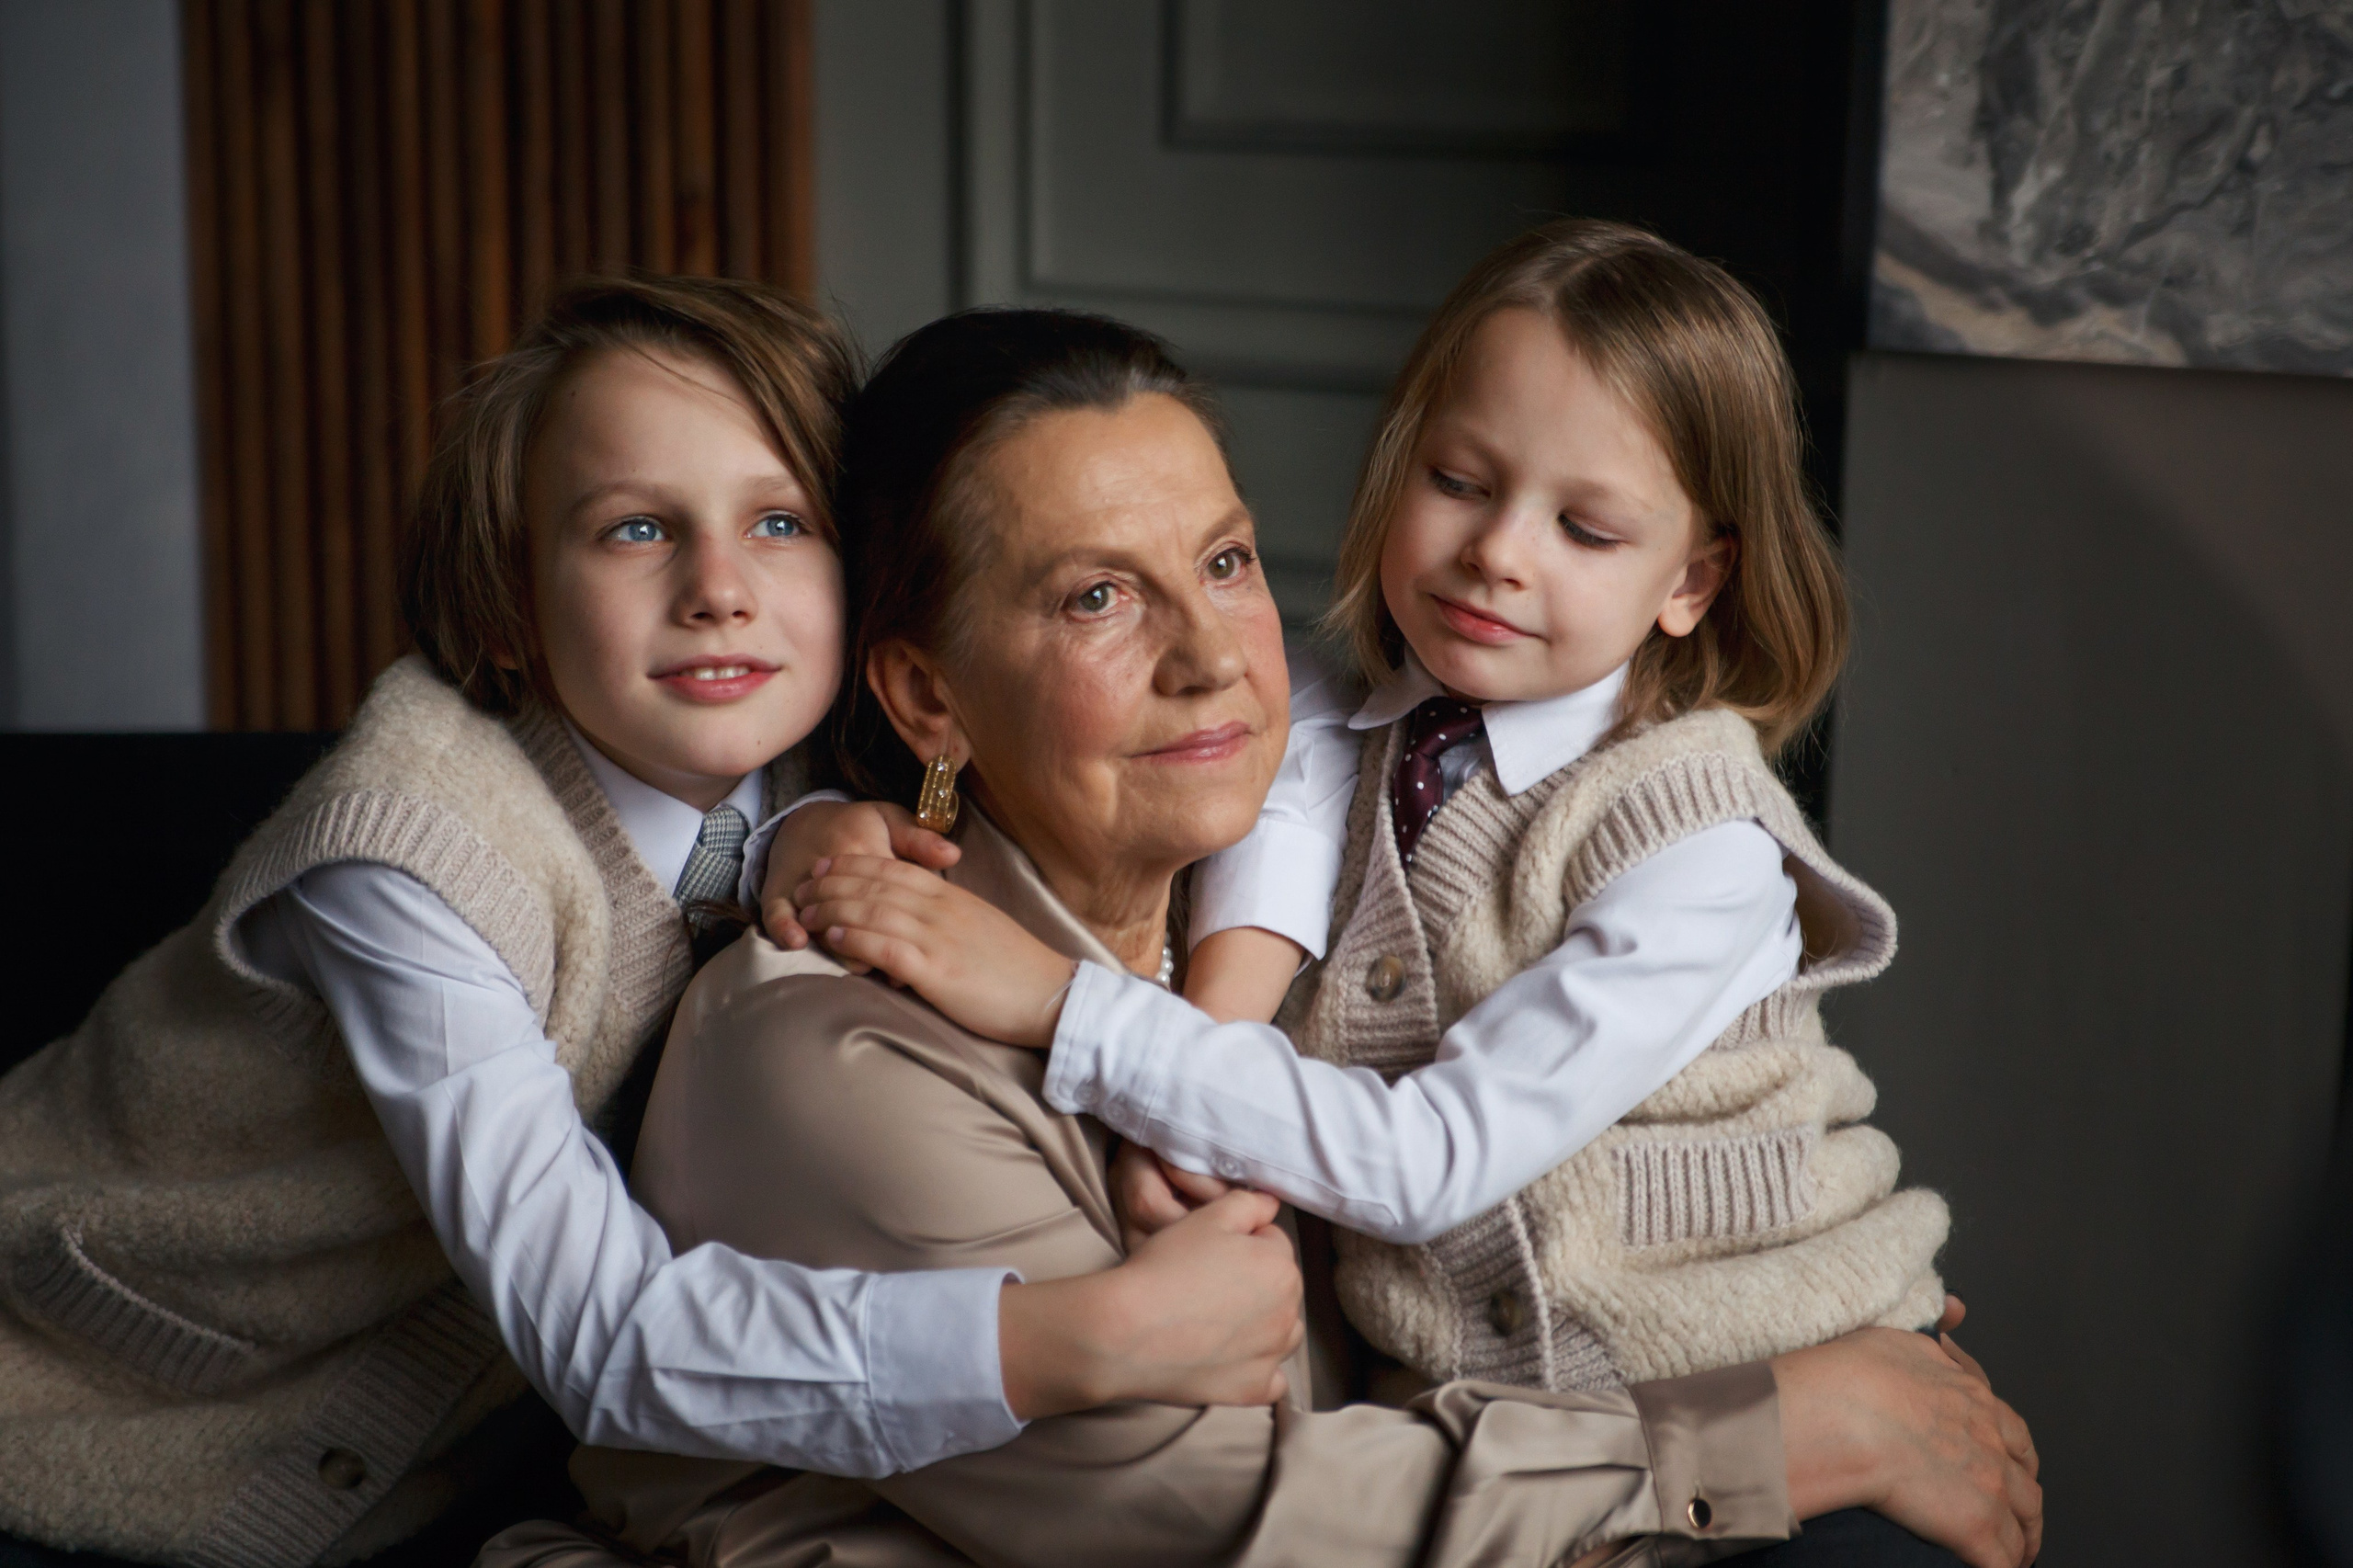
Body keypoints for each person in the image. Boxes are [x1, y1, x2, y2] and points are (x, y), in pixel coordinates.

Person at [484, 306, 2041, 1568]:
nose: (1216, 662)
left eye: (1224, 563)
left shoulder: (1280, 922)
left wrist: (1784, 1295)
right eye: (1099, 597)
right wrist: (1782, 1425)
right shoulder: (832, 1056)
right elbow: (1240, 1523)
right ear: (927, 698)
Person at [0, 278, 1300, 1568]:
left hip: (438, 1435)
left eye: (781, 520)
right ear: (510, 600)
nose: (720, 589)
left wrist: (786, 838)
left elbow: (1304, 760)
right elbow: (597, 1332)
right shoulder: (409, 862)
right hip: (98, 1397)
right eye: (634, 531)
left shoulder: (822, 745)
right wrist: (1079, 1341)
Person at [801, 220, 1950, 1399]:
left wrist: (1063, 1006)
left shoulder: (1699, 852)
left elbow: (1431, 1161)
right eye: (1458, 482)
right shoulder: (1317, 721)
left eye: (1586, 528)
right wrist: (821, 825)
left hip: (1776, 1384)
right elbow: (1280, 861)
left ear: (1692, 581)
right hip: (1541, 1428)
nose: (1497, 551)